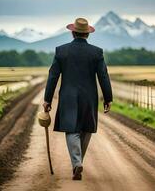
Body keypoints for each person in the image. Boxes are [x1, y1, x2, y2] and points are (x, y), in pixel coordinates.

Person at [43, 18, 113, 180]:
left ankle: (76, 163)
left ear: (73, 33)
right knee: (86, 129)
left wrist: (47, 99)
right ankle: (78, 162)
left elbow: (53, 76)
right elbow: (103, 76)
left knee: (72, 130)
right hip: (89, 97)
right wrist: (108, 98)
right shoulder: (97, 52)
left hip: (68, 96)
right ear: (87, 34)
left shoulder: (61, 51)